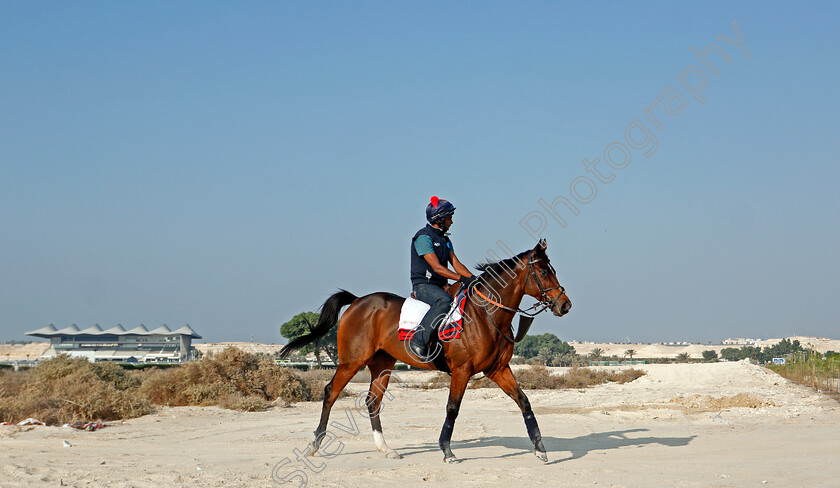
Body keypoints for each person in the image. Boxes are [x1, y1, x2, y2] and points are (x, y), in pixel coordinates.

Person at [408, 196, 478, 359]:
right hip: (423, 286)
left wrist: (474, 280)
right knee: (445, 301)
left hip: (441, 285)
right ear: (439, 219)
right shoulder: (423, 237)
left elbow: (456, 264)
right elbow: (437, 268)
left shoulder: (445, 240)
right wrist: (461, 278)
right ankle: (418, 340)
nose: (451, 222)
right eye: (449, 218)